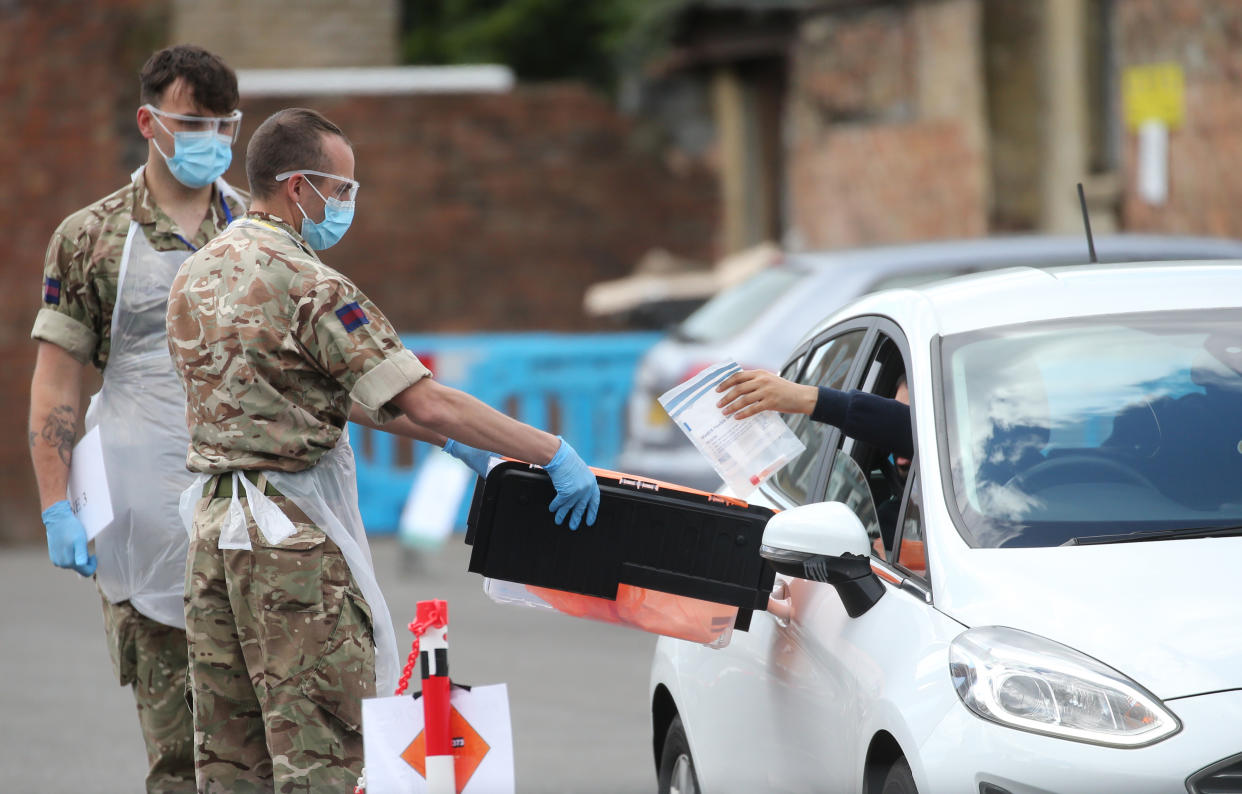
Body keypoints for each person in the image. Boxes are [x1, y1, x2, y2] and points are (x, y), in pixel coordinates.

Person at [165, 107, 601, 791]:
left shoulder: (198, 273)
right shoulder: (310, 285)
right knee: (323, 755)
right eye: (340, 190)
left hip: (215, 540)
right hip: (292, 550)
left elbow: (322, 393)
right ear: (297, 186)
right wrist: (550, 451)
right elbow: (426, 396)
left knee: (230, 758)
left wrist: (449, 445)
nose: (345, 205)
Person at [27, 45, 247, 793]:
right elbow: (56, 384)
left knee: (266, 743)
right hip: (141, 511)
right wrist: (58, 503)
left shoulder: (256, 229)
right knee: (181, 754)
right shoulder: (89, 238)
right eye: (193, 121)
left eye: (224, 124)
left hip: (250, 515)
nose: (210, 139)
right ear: (148, 121)